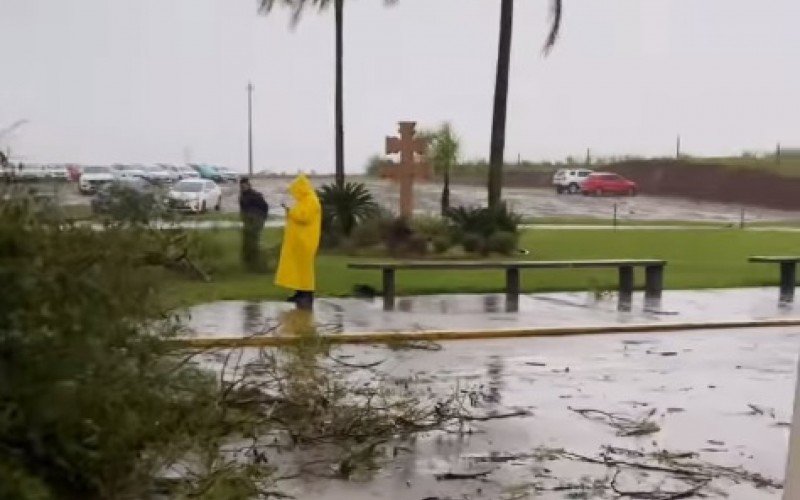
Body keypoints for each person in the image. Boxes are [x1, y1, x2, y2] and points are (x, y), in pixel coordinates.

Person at [275, 174, 321, 310]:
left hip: (306, 242)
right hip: (299, 242)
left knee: (305, 270)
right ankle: (299, 292)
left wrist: (290, 211)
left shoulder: (311, 200)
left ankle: (306, 294)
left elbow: (304, 217)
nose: (294, 194)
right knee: (298, 269)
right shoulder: (303, 200)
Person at [238, 177, 269, 272]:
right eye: (241, 186)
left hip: (256, 221)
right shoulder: (241, 197)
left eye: (244, 185)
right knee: (246, 241)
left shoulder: (256, 195)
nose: (243, 187)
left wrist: (262, 219)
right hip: (247, 221)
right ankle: (247, 262)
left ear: (248, 185)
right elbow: (243, 210)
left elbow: (265, 207)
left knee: (254, 241)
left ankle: (256, 263)